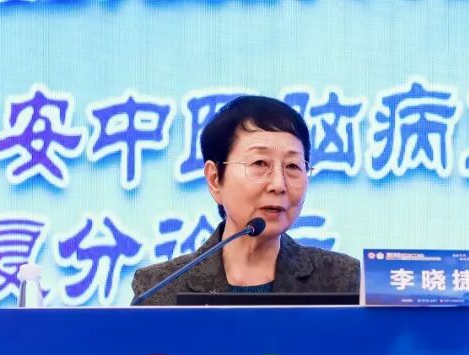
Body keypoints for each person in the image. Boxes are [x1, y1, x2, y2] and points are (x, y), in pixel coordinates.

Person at [130, 95, 360, 305]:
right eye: (259, 163)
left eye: (292, 166)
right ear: (215, 178)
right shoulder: (159, 289)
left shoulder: (342, 279)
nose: (279, 184)